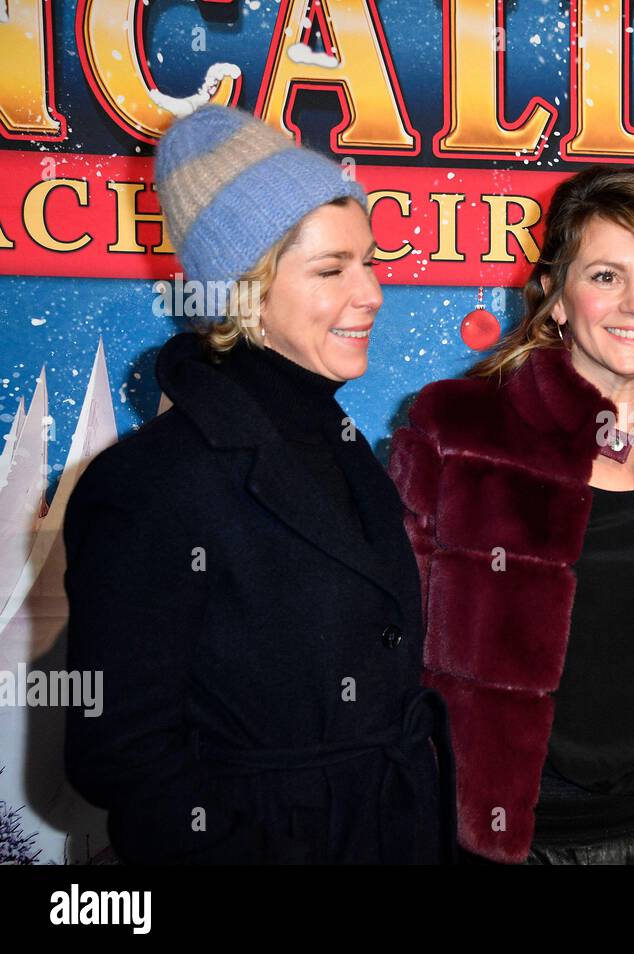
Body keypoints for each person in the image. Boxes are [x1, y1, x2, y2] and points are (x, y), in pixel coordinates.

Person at [62, 104, 455, 864]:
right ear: (245, 291)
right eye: (331, 269)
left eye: (369, 261)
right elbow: (123, 755)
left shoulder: (339, 443)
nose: (372, 293)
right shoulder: (148, 484)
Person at [388, 166, 634, 864]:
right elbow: (392, 653)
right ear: (555, 298)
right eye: (606, 276)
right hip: (511, 845)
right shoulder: (458, 433)